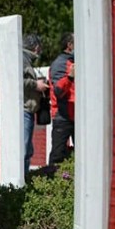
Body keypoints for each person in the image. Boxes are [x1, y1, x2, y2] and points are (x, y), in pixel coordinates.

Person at [22, 34, 48, 175]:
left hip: (28, 111)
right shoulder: (22, 59)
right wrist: (35, 85)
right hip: (24, 110)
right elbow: (17, 80)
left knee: (28, 149)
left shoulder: (26, 60)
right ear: (36, 47)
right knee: (24, 149)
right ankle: (20, 184)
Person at [48, 32, 75, 165]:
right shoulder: (60, 63)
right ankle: (51, 181)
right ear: (69, 45)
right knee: (58, 156)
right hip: (63, 117)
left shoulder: (75, 62)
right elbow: (58, 91)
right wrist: (70, 77)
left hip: (76, 116)